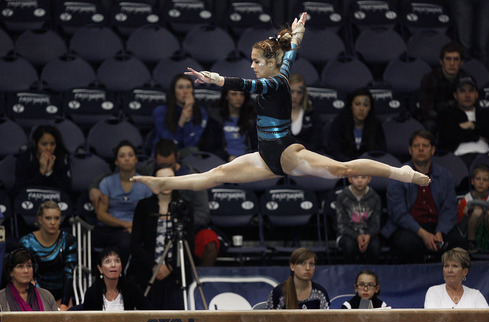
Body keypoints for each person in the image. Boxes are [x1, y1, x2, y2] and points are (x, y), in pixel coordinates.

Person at [131, 13, 430, 195]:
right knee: (217, 174)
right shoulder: (282, 69)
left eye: (256, 62)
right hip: (265, 157)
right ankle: (164, 185)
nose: (252, 66)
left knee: (342, 169)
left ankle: (402, 173)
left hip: (287, 153)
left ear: (269, 62)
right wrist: (297, 33)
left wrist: (215, 79)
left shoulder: (275, 82)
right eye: (251, 61)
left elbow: (247, 86)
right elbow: (291, 53)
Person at [90, 138, 218, 266]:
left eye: (170, 167)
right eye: (161, 166)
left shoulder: (193, 177)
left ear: (177, 158)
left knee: (208, 240)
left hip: (187, 225)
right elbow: (126, 170)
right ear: (155, 160)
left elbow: (203, 213)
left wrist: (180, 222)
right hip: (155, 225)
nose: (165, 182)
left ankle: (195, 281)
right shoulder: (147, 171)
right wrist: (94, 187)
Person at [383, 129, 468, 263]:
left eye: (425, 146)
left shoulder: (445, 176)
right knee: (407, 245)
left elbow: (450, 208)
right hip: (410, 228)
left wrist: (441, 231)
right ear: (410, 150)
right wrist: (423, 234)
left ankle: (451, 282)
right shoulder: (398, 175)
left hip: (437, 225)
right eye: (417, 146)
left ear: (433, 150)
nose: (421, 149)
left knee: (459, 244)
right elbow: (398, 212)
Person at [128, 164, 195, 310]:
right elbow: (135, 243)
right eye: (161, 179)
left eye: (170, 179)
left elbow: (189, 244)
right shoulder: (144, 205)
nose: (166, 182)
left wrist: (169, 267)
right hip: (148, 271)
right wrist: (154, 266)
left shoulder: (185, 207)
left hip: (176, 273)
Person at [93, 140, 152, 262]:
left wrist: (135, 228)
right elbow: (101, 215)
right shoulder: (107, 183)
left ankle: (123, 276)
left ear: (136, 159)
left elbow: (148, 214)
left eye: (130, 155)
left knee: (127, 242)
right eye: (122, 156)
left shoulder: (145, 185)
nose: (127, 159)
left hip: (136, 230)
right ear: (116, 161)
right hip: (111, 228)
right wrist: (125, 224)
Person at [18, 201, 77, 311]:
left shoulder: (68, 240)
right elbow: (28, 275)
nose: (53, 222)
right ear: (40, 219)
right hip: (34, 293)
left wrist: (64, 304)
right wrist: (43, 301)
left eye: (56, 218)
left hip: (62, 294)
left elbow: (69, 274)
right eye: (48, 218)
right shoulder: (27, 242)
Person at [437, 75, 489, 168]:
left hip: (486, 156)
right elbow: (448, 136)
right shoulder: (447, 115)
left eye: (471, 91)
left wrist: (472, 125)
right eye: (462, 91)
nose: (467, 95)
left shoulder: (487, 114)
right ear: (455, 95)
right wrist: (478, 135)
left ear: (476, 94)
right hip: (459, 158)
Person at [418, 42, 469, 135]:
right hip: (437, 119)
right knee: (429, 125)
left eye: (456, 59)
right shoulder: (429, 79)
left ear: (462, 63)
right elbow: (426, 111)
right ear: (441, 61)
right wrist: (447, 121)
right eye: (448, 59)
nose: (452, 63)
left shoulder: (468, 79)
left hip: (461, 117)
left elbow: (473, 107)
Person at [327, 88, 386, 161]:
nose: (361, 108)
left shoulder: (376, 124)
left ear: (370, 108)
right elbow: (334, 151)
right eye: (357, 104)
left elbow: (381, 152)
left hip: (369, 167)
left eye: (366, 105)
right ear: (351, 106)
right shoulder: (339, 122)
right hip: (343, 165)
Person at [82, 247, 151, 311]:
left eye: (117, 261)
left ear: (121, 267)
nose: (113, 265)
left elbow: (149, 315)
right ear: (100, 269)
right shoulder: (92, 293)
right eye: (107, 261)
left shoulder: (133, 290)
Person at [152, 73, 208, 151]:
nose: (185, 91)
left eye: (188, 87)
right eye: (180, 87)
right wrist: (181, 121)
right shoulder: (160, 111)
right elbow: (170, 144)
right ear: (174, 91)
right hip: (164, 154)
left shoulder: (201, 112)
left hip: (188, 155)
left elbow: (190, 144)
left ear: (193, 90)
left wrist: (188, 121)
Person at [198, 88, 257, 162]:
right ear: (226, 96)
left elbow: (257, 146)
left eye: (242, 94)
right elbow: (207, 147)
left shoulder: (252, 118)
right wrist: (227, 158)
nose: (238, 98)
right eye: (234, 94)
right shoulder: (215, 118)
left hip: (247, 162)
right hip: (221, 162)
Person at [335, 175, 381, 263]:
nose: (359, 180)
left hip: (368, 234)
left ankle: (371, 273)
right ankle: (350, 272)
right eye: (356, 177)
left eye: (363, 177)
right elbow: (341, 225)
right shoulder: (342, 197)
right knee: (350, 246)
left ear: (369, 179)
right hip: (347, 235)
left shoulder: (375, 197)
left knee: (375, 246)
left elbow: (376, 224)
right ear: (350, 179)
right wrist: (356, 236)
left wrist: (368, 235)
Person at [14, 124, 71, 194]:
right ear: (35, 143)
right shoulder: (25, 159)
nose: (49, 148)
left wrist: (49, 173)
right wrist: (41, 172)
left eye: (52, 144)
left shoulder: (62, 158)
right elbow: (20, 190)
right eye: (44, 144)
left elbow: (66, 190)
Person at [424, 247, 489, 308]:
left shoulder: (476, 295)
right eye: (446, 266)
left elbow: (486, 318)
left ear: (465, 272)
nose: (449, 270)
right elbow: (432, 319)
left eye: (455, 266)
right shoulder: (434, 292)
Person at [457, 164, 489, 254]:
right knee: (477, 212)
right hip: (470, 234)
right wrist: (468, 213)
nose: (481, 183)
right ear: (472, 181)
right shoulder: (466, 199)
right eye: (478, 179)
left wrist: (473, 203)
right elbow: (460, 226)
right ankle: (472, 243)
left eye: (485, 180)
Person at [289, 73, 323, 152]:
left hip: (306, 158)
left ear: (304, 94)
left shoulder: (312, 116)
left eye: (299, 92)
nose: (295, 96)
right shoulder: (275, 115)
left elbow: (316, 144)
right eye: (291, 91)